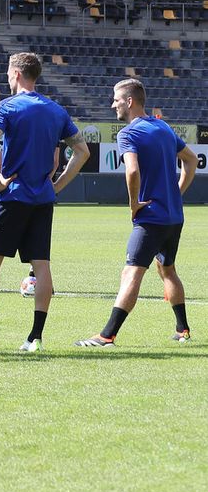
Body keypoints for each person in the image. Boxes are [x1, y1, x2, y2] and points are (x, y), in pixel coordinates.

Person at [0, 52, 89, 353]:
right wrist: (56, 187)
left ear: (16, 73)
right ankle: (34, 338)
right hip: (42, 200)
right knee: (41, 265)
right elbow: (82, 152)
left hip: (11, 197)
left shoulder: (7, 107)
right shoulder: (56, 110)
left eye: (7, 71)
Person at [77, 79, 195, 347]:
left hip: (150, 217)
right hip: (174, 216)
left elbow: (132, 171)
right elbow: (190, 160)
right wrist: (176, 193)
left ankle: (107, 335)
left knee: (131, 273)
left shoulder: (129, 133)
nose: (113, 105)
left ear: (129, 101)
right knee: (167, 269)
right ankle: (183, 330)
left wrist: (133, 204)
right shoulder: (163, 127)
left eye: (116, 100)